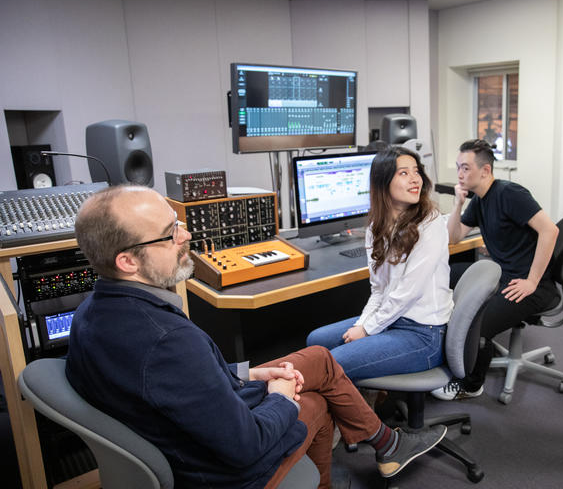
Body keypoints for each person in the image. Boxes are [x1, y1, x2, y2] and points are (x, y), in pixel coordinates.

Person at [65, 185, 446, 489]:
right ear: (127, 261)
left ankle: (386, 445)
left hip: (198, 424)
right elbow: (245, 448)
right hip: (223, 472)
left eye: (177, 224)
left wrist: (248, 375)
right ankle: (364, 457)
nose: (187, 235)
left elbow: (178, 384)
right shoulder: (166, 341)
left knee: (318, 357)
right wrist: (281, 398)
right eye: (170, 234)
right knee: (313, 401)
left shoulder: (90, 312)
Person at [306, 146, 452, 381]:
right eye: (403, 173)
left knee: (334, 363)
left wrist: (366, 329)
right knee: (316, 341)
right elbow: (379, 290)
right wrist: (363, 325)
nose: (415, 179)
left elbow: (408, 293)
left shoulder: (430, 223)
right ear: (383, 183)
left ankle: (360, 416)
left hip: (425, 333)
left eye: (416, 171)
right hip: (392, 320)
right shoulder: (376, 228)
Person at [430, 139, 560, 400]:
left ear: (485, 170)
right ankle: (443, 354)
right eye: (458, 167)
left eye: (465, 168)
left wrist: (532, 281)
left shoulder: (510, 194)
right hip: (503, 275)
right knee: (447, 273)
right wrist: (458, 204)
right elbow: (453, 238)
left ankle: (471, 383)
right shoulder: (479, 200)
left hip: (528, 285)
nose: (459, 174)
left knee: (476, 322)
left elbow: (550, 230)